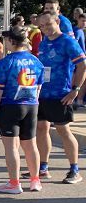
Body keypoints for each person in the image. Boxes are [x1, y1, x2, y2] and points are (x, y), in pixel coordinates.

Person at [0, 27, 44, 193]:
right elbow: (39, 86)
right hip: (32, 105)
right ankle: (35, 180)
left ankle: (14, 183)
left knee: (11, 147)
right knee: (31, 145)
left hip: (10, 106)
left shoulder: (6, 62)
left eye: (6, 40)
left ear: (12, 41)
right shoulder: (36, 61)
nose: (5, 43)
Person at [34, 12, 85, 183]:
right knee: (41, 128)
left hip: (61, 94)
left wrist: (75, 89)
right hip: (42, 94)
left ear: (57, 21)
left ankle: (74, 170)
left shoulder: (68, 41)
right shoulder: (43, 43)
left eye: (48, 24)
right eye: (41, 26)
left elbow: (82, 65)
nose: (45, 28)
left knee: (63, 130)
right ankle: (43, 168)